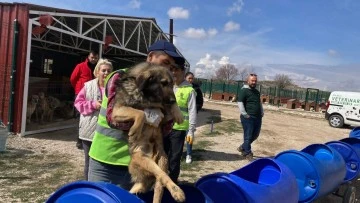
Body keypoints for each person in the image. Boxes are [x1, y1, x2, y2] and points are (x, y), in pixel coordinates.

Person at [88, 40, 185, 189]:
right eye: (165, 62)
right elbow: (113, 119)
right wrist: (146, 116)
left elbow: (165, 131)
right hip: (107, 161)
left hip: (141, 164)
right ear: (151, 56)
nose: (166, 68)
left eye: (170, 66)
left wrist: (171, 110)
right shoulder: (120, 77)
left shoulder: (162, 89)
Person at [74, 59, 113, 180]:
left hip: (107, 132)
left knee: (104, 163)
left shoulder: (114, 88)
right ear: (97, 72)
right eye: (103, 70)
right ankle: (89, 186)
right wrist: (93, 105)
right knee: (89, 163)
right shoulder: (88, 86)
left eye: (109, 71)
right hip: (89, 131)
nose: (106, 73)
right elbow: (78, 103)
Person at [164, 64, 197, 182]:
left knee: (174, 157)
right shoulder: (168, 86)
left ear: (183, 72)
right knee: (163, 155)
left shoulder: (189, 90)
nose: (173, 73)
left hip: (179, 129)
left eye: (176, 70)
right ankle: (161, 180)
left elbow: (192, 112)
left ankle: (172, 181)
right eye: (171, 70)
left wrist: (191, 131)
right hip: (164, 127)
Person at [70, 50, 99, 149]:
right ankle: (79, 140)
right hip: (81, 94)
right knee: (81, 118)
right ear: (88, 57)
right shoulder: (80, 66)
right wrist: (78, 89)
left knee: (91, 117)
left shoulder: (98, 68)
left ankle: (90, 139)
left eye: (95, 58)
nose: (94, 59)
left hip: (93, 94)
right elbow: (73, 79)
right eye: (92, 57)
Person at [237, 73, 264, 160]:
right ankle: (247, 153)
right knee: (248, 136)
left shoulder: (256, 92)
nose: (254, 82)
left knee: (255, 135)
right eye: (252, 80)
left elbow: (259, 103)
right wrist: (245, 114)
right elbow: (240, 102)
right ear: (248, 81)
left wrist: (262, 112)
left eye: (255, 81)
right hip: (248, 117)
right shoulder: (244, 91)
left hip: (257, 117)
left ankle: (243, 147)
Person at [184, 72, 203, 164]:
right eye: (189, 78)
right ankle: (179, 153)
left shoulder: (196, 88)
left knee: (189, 136)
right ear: (185, 78)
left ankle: (189, 154)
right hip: (180, 118)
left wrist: (195, 109)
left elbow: (200, 101)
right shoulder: (180, 87)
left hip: (190, 117)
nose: (191, 80)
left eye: (192, 78)